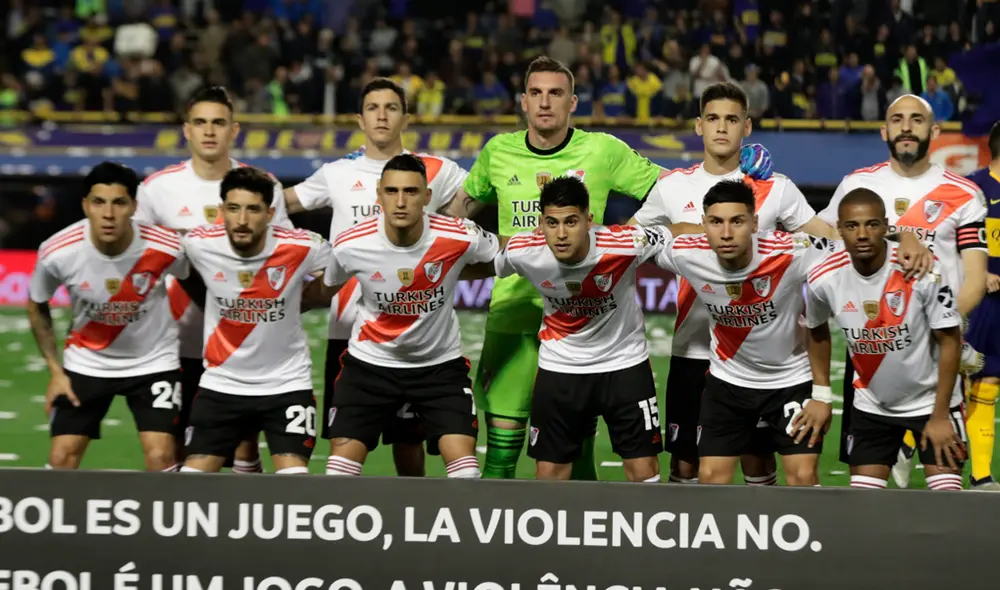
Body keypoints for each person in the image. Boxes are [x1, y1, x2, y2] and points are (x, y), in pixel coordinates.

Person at [441, 55, 774, 480]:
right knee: (502, 453)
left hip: (590, 322)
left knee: (574, 457)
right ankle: (497, 544)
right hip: (514, 317)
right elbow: (457, 216)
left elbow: (681, 191)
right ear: (523, 101)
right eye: (536, 93)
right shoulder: (496, 152)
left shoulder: (603, 150)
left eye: (556, 93)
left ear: (573, 102)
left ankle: (579, 545)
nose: (545, 102)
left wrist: (737, 169)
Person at [650, 179, 931, 485]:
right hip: (728, 382)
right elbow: (647, 240)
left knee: (803, 477)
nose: (727, 233)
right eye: (716, 222)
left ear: (755, 222)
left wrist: (904, 237)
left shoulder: (794, 251)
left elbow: (855, 240)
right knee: (711, 479)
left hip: (791, 382)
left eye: (738, 221)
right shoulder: (685, 253)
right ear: (703, 224)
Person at [630, 81, 842, 487]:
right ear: (698, 126)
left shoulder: (775, 187)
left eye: (731, 119)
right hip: (693, 348)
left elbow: (827, 239)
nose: (721, 128)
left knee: (758, 462)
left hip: (763, 360)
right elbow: (629, 241)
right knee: (687, 468)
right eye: (712, 119)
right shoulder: (671, 187)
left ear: (747, 127)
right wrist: (688, 230)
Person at [284, 78, 469, 477]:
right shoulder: (336, 173)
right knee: (344, 443)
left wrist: (452, 229)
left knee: (409, 443)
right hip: (348, 333)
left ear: (406, 116)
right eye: (373, 108)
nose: (382, 115)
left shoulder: (434, 171)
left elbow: (479, 193)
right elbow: (282, 206)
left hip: (413, 332)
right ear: (359, 118)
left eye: (391, 107)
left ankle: (413, 524)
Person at [818, 95, 989, 489]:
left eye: (916, 120)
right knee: (866, 497)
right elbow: (827, 239)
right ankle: (898, 444)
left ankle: (912, 443)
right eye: (897, 120)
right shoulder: (857, 184)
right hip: (871, 355)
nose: (906, 127)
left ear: (934, 132)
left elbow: (975, 280)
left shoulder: (964, 194)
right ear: (884, 131)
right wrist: (901, 232)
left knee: (946, 494)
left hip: (933, 357)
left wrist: (935, 330)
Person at [493, 176, 700, 481]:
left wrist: (743, 235)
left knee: (644, 471)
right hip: (560, 367)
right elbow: (479, 260)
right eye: (552, 223)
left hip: (624, 365)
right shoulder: (524, 250)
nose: (561, 234)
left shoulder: (625, 243)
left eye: (571, 221)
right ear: (540, 223)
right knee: (549, 474)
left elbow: (677, 231)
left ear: (589, 220)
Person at [135, 86, 294, 474]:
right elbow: (137, 264)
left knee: (243, 448)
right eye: (201, 122)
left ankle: (246, 532)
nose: (210, 131)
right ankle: (172, 530)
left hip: (244, 346)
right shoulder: (157, 189)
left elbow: (286, 255)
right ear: (186, 130)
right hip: (176, 343)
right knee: (171, 450)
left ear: (234, 130)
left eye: (218, 123)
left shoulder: (264, 185)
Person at [321, 154, 497, 479]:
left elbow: (501, 257)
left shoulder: (460, 235)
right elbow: (326, 285)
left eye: (411, 192)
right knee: (338, 476)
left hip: (439, 370)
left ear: (427, 197)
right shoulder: (350, 244)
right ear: (379, 195)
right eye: (391, 191)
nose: (400, 202)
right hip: (369, 367)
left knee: (466, 475)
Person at [28, 162, 188, 472]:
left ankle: (163, 520)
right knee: (62, 457)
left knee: (162, 456)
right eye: (99, 202)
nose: (109, 214)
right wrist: (55, 372)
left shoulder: (167, 246)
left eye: (119, 202)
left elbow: (193, 280)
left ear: (133, 206)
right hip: (87, 362)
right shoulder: (58, 252)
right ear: (86, 205)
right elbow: (37, 304)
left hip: (154, 363)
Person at [805, 188, 966, 491]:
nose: (862, 234)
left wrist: (941, 415)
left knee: (948, 505)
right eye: (852, 226)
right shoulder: (823, 278)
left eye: (871, 224)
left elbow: (950, 340)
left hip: (934, 403)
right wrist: (821, 394)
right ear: (839, 229)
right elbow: (815, 329)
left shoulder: (922, 270)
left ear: (886, 226)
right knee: (864, 512)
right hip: (872, 407)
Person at [178, 167, 331, 475]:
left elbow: (341, 271)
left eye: (253, 209)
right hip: (221, 384)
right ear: (222, 211)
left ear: (270, 213)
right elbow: (181, 272)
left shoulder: (303, 246)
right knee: (190, 482)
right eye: (233, 209)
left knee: (295, 483)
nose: (242, 220)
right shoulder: (198, 243)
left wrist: (308, 298)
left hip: (287, 384)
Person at [963, 121, 1000, 490]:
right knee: (967, 379)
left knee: (990, 382)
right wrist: (981, 271)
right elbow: (953, 238)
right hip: (981, 301)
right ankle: (908, 442)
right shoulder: (973, 188)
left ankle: (981, 475)